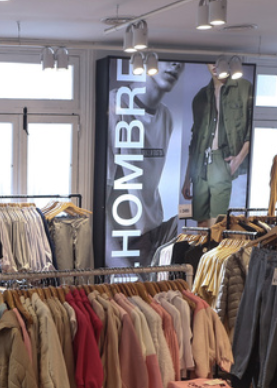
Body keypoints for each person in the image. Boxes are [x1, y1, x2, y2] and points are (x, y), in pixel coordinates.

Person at [106, 61, 185, 267]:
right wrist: (115, 255)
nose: (176, 64)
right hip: (123, 237)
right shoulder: (116, 104)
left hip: (153, 235)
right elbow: (101, 192)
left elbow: (149, 183)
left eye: (181, 60)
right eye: (167, 57)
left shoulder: (166, 116)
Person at [182, 65, 253, 226]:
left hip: (221, 159)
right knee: (201, 221)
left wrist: (239, 158)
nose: (214, 65)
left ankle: (214, 243)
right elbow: (195, 140)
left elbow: (251, 128)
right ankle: (201, 244)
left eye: (217, 61)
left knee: (217, 222)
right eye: (210, 62)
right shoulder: (200, 96)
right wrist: (187, 178)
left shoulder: (243, 88)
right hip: (199, 164)